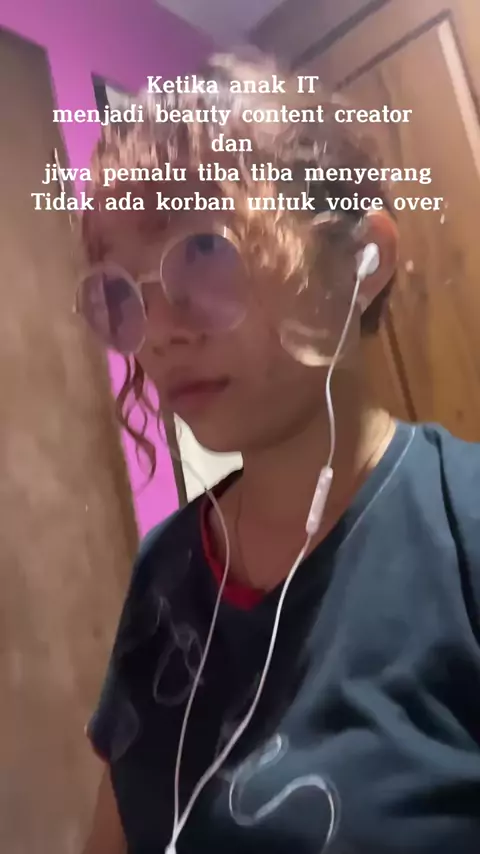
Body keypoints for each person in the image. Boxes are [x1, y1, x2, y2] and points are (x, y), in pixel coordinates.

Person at [80, 54, 480, 854]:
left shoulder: (462, 529)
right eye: (122, 290)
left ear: (364, 261)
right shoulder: (163, 573)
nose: (159, 333)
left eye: (203, 250)